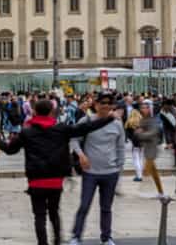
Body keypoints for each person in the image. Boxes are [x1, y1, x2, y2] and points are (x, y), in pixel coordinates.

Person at [0, 97, 115, 245]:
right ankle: (57, 241)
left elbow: (10, 150)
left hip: (36, 180)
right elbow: (85, 128)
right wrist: (109, 120)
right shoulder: (61, 129)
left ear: (34, 112)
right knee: (54, 212)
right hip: (55, 180)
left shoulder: (26, 132)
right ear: (52, 112)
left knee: (39, 216)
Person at [68, 91, 126, 245]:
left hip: (110, 172)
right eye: (102, 103)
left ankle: (106, 237)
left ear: (112, 105)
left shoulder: (117, 124)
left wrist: (119, 168)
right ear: (95, 104)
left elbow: (120, 147)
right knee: (84, 205)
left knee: (106, 208)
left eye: (109, 103)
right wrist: (81, 155)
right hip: (90, 172)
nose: (105, 106)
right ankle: (76, 236)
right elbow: (73, 139)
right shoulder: (86, 120)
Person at [133, 100, 166, 199]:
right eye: (142, 107)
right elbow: (139, 130)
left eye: (145, 107)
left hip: (152, 148)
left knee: (146, 171)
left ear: (150, 108)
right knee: (154, 173)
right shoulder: (143, 119)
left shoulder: (153, 119)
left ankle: (145, 190)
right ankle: (160, 192)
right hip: (147, 147)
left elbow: (152, 133)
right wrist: (138, 132)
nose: (142, 109)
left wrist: (140, 134)